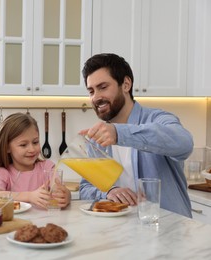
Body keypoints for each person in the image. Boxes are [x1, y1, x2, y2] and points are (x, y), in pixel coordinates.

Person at [79, 53, 193, 218]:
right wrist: (109, 192)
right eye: (91, 91)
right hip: (124, 234)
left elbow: (184, 144)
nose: (96, 97)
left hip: (169, 233)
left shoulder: (158, 119)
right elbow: (86, 188)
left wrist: (120, 133)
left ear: (126, 84)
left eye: (103, 87)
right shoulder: (97, 138)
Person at [0, 112, 71, 209]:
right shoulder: (3, 173)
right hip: (16, 223)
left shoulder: (47, 167)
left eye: (35, 142)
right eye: (23, 145)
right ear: (7, 147)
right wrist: (29, 196)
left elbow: (58, 189)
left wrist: (66, 195)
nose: (32, 149)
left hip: (44, 222)